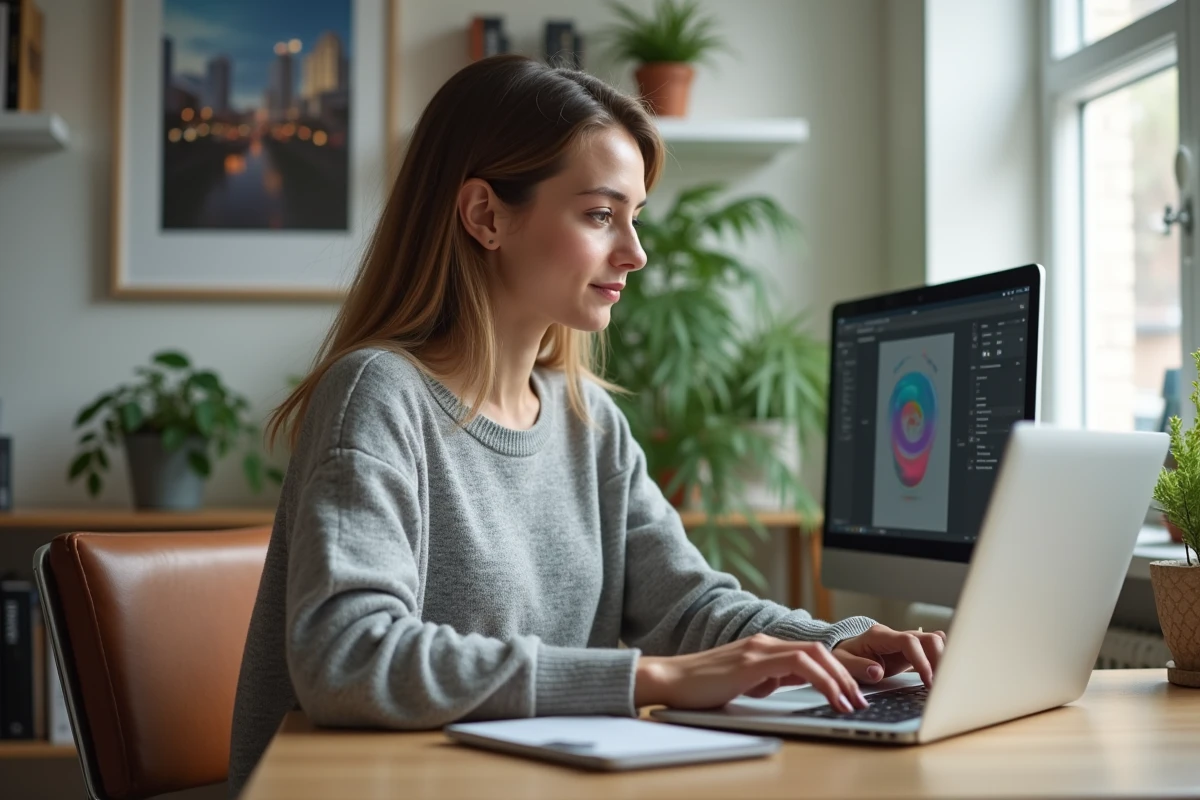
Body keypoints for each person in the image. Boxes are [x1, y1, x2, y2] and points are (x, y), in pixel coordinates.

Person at [227, 55, 945, 796]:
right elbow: (347, 657)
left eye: (634, 218)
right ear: (486, 215)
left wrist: (839, 643)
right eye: (601, 215)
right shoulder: (379, 395)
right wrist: (653, 678)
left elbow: (688, 604)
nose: (635, 254)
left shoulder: (586, 418)